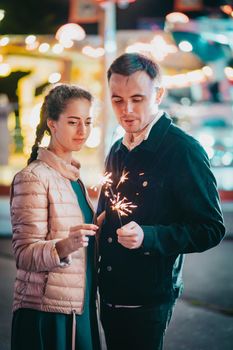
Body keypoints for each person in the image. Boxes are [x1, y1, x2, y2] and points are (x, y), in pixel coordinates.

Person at [97, 53, 225, 350]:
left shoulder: (183, 150)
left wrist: (149, 236)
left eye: (137, 98)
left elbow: (210, 228)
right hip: (110, 293)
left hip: (149, 299)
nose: (126, 110)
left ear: (159, 94)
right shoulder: (117, 148)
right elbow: (108, 209)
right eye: (117, 100)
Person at [10, 84, 101, 350]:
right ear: (53, 123)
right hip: (47, 312)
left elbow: (77, 235)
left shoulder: (73, 177)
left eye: (87, 122)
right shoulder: (33, 178)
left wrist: (100, 226)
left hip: (79, 305)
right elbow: (24, 253)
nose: (83, 131)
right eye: (73, 122)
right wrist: (65, 246)